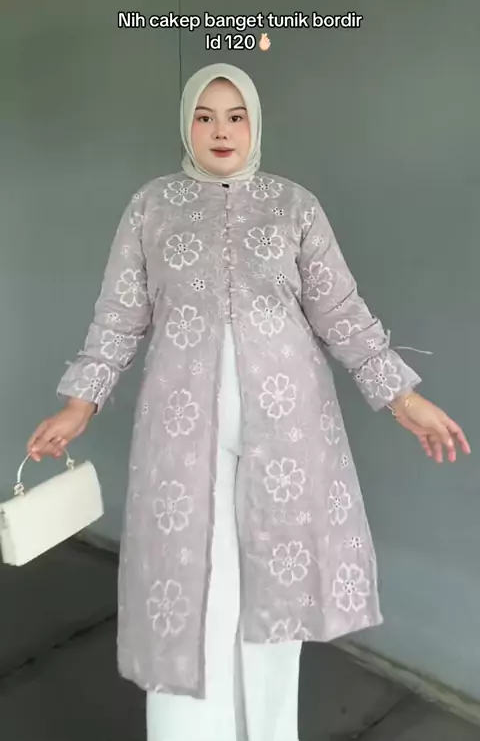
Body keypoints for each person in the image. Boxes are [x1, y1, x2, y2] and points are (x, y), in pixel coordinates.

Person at [27, 63, 471, 741]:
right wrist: (79, 405)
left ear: (254, 123)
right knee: (191, 590)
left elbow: (341, 313)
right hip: (181, 429)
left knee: (274, 597)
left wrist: (401, 398)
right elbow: (119, 315)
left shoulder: (294, 206)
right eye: (205, 116)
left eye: (235, 116)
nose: (221, 130)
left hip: (290, 428)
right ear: (187, 125)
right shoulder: (152, 206)